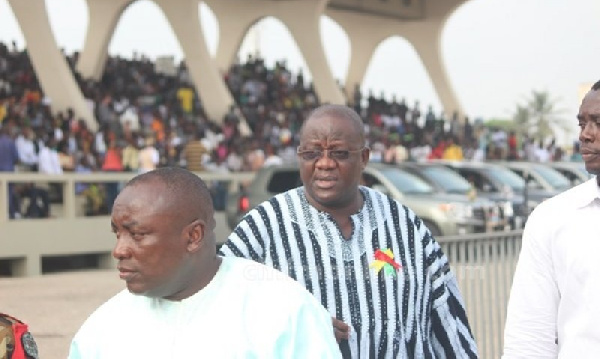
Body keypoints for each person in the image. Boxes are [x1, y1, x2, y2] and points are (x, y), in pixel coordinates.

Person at [220, 104, 478, 358]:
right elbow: (217, 309)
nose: (324, 164)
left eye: (339, 153)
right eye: (312, 154)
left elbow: (449, 321)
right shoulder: (262, 227)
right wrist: (293, 325)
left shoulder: (405, 225)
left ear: (363, 158)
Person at [68, 167, 341, 359]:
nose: (119, 250)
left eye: (137, 235)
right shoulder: (102, 329)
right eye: (118, 233)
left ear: (193, 236)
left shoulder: (284, 311)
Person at [502, 80, 600, 358]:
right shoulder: (552, 219)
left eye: (598, 122)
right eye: (582, 124)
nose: (585, 135)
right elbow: (529, 338)